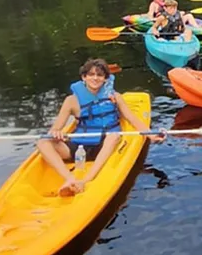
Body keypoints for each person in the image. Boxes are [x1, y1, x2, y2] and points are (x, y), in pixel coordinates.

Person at [36, 59, 164, 196]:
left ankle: (85, 181)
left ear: (105, 79)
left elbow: (131, 118)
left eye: (99, 75)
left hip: (106, 144)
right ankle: (71, 179)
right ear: (84, 77)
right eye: (91, 75)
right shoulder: (71, 101)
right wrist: (56, 133)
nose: (95, 78)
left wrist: (151, 135)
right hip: (80, 148)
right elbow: (55, 129)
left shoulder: (114, 96)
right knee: (43, 142)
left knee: (113, 136)